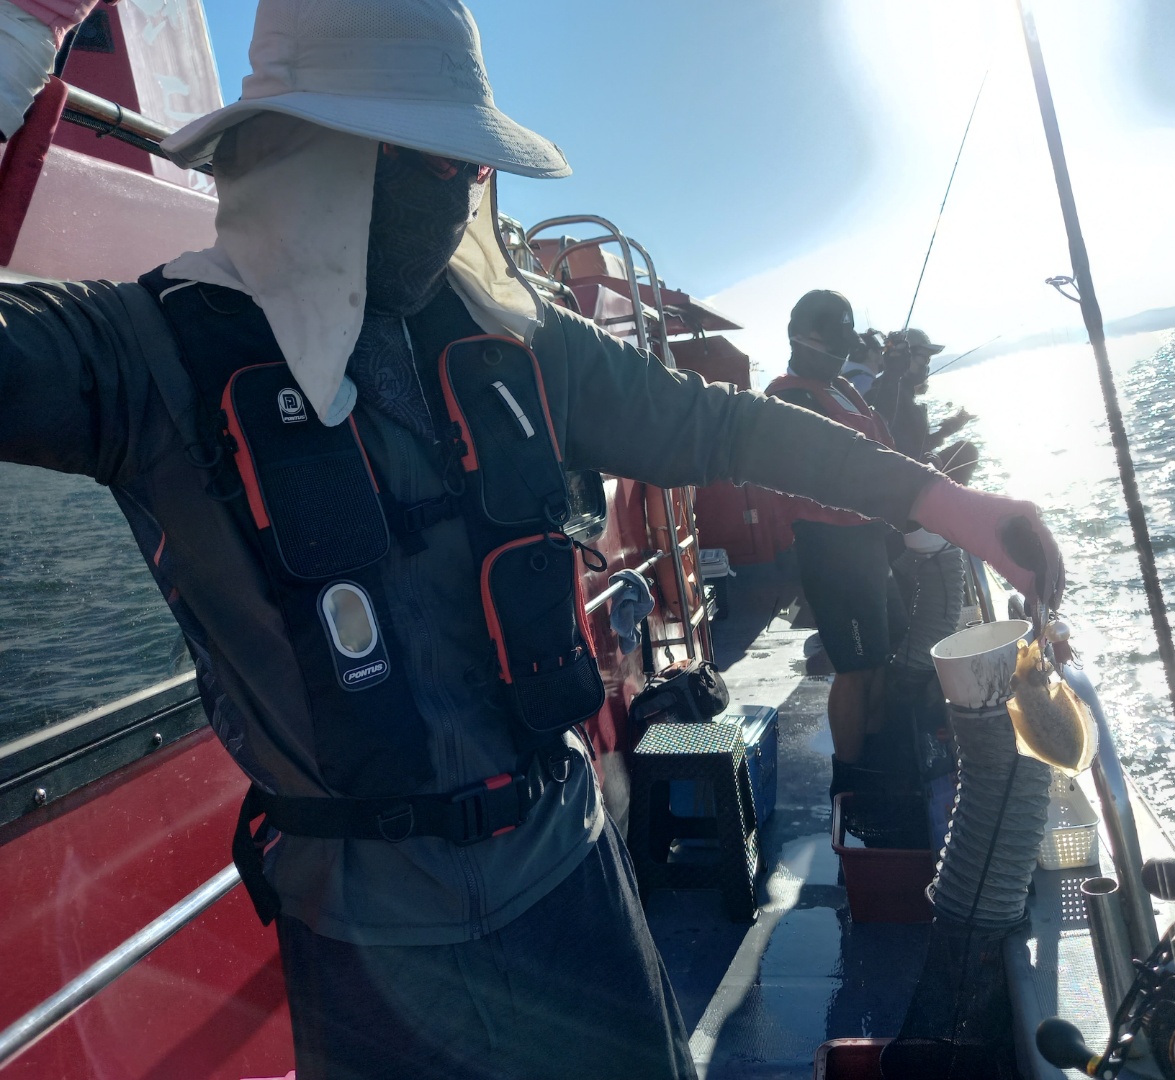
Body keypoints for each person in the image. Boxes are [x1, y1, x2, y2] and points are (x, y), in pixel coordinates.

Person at [0, 2, 1064, 1078]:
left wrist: (940, 502)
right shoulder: (139, 355)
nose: (459, 192)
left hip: (571, 872)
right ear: (322, 150)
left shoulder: (518, 340)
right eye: (433, 160)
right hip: (367, 945)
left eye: (468, 166)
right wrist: (21, 38)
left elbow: (722, 427)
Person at [764, 292, 911, 802]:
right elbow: (835, 466)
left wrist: (894, 379)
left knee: (881, 652)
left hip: (868, 543)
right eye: (831, 345)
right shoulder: (789, 399)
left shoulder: (841, 387)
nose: (840, 355)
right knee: (853, 665)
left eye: (844, 345)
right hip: (831, 550)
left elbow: (880, 440)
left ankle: (875, 755)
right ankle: (848, 781)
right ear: (800, 339)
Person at [869, 327, 976, 473]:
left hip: (913, 472)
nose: (925, 367)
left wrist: (949, 428)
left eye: (928, 361)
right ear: (906, 355)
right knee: (967, 451)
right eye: (923, 359)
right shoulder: (886, 392)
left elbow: (916, 445)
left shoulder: (903, 394)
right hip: (904, 478)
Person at [839, 327, 885, 397]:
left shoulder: (838, 370)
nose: (882, 358)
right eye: (880, 352)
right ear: (871, 354)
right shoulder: (868, 382)